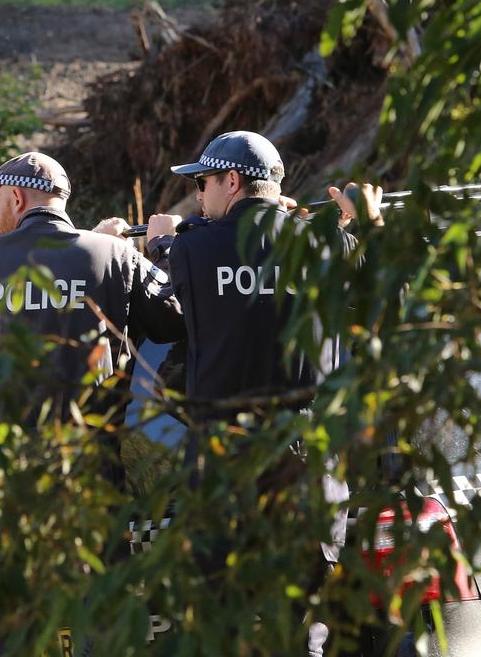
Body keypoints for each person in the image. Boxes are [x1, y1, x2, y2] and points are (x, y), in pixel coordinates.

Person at [149, 130, 382, 656]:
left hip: (222, 457)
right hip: (305, 454)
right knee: (306, 629)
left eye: (204, 183)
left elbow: (171, 262)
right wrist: (363, 221)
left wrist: (160, 235)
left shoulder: (190, 248)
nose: (201, 196)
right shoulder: (323, 244)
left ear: (231, 182)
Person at [0, 151, 186, 428]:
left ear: (17, 198)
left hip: (8, 451)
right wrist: (164, 247)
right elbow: (174, 317)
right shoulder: (113, 253)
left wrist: (98, 245)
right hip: (89, 452)